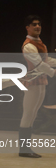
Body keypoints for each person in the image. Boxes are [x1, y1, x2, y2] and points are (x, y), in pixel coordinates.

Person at [19, 15, 56, 158]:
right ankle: (23, 149)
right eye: (34, 24)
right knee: (28, 113)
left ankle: (26, 148)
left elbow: (45, 60)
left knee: (33, 114)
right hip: (32, 81)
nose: (37, 26)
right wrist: (53, 72)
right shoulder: (28, 45)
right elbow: (39, 64)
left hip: (40, 81)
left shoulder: (39, 43)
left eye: (39, 24)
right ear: (27, 27)